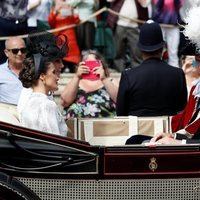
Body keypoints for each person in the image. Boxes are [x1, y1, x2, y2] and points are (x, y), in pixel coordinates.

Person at [116, 20, 188, 117]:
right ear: (162, 48)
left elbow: (121, 112)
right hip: (167, 130)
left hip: (137, 131)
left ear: (141, 50)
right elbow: (181, 107)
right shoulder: (177, 74)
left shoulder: (129, 76)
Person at [17, 33, 68, 136]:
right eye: (53, 73)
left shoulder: (30, 102)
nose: (58, 77)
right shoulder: (47, 105)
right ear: (42, 76)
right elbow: (56, 143)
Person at [61, 49, 119, 118]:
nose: (91, 68)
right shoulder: (76, 82)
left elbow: (120, 100)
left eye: (94, 64)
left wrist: (104, 79)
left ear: (101, 65)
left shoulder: (110, 81)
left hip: (105, 125)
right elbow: (65, 101)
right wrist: (77, 77)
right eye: (87, 64)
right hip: (76, 126)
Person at [106, 0, 150, 72]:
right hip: (120, 24)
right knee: (118, 52)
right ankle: (119, 72)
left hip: (135, 26)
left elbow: (145, 4)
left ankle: (137, 73)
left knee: (136, 52)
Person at [48, 0, 80, 73]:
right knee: (60, 51)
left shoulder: (69, 10)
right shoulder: (54, 12)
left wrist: (72, 11)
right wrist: (55, 11)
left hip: (70, 35)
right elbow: (51, 22)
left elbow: (77, 21)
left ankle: (72, 66)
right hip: (59, 36)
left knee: (72, 52)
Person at [152, 0, 183, 68]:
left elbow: (180, 6)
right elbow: (157, 5)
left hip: (174, 25)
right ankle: (156, 69)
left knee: (173, 52)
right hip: (160, 24)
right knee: (157, 49)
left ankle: (174, 72)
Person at [0, 0, 28, 64]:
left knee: (22, 48)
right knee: (3, 49)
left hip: (22, 22)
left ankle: (22, 70)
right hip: (5, 21)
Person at [0, 37, 27, 104]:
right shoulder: (1, 72)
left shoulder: (33, 69)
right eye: (15, 51)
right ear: (6, 53)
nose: (19, 53)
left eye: (23, 50)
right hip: (7, 112)